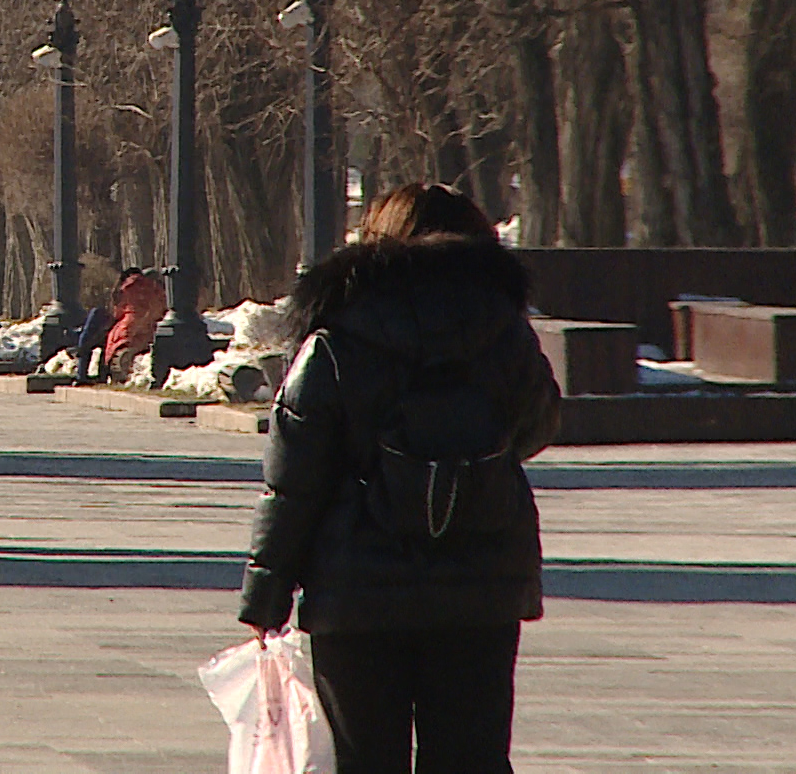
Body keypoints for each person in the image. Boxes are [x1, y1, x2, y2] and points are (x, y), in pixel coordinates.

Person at [237, 183, 561, 772]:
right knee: (471, 760)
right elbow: (536, 426)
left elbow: (293, 481)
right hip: (481, 588)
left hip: (356, 592)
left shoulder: (337, 338)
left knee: (365, 760)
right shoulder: (504, 333)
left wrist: (267, 595)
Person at [103, 267, 167, 383]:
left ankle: (113, 373)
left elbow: (118, 309)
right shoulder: (155, 288)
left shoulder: (126, 287)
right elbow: (161, 306)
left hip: (129, 321)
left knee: (116, 341)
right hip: (149, 321)